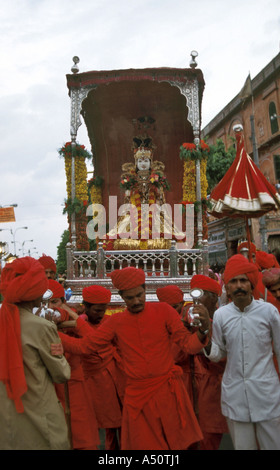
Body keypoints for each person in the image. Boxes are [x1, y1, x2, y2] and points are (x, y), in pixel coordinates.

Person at [55, 267, 211, 450]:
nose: (136, 301)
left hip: (168, 392)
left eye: (139, 295)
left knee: (174, 446)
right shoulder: (116, 322)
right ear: (121, 296)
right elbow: (85, 346)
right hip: (138, 398)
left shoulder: (164, 311)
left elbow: (188, 345)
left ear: (145, 290)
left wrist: (203, 330)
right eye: (130, 298)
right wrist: (53, 334)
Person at [205, 254, 280, 450]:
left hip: (267, 393)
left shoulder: (269, 312)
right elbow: (218, 353)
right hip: (235, 394)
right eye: (234, 281)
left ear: (251, 284)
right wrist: (203, 335)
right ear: (227, 287)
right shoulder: (221, 315)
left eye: (243, 280)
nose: (239, 285)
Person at [0, 256, 71, 450]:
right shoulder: (42, 327)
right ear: (36, 290)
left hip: (6, 418)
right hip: (39, 416)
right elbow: (61, 373)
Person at [157, 278, 228, 450]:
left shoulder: (222, 321)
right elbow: (170, 357)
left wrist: (204, 333)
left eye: (201, 295)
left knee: (208, 439)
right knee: (181, 439)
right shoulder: (180, 322)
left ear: (214, 298)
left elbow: (223, 361)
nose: (196, 301)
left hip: (211, 388)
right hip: (181, 386)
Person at [47, 279, 100, 450]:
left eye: (54, 301)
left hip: (76, 387)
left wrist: (74, 318)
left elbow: (93, 344)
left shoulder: (72, 322)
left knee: (83, 438)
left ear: (64, 302)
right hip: (49, 390)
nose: (50, 307)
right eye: (44, 302)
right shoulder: (40, 328)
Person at [80, 285, 126, 450]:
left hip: (116, 375)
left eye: (103, 310)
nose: (100, 315)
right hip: (94, 381)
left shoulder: (110, 321)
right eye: (97, 310)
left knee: (122, 421)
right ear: (85, 307)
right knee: (102, 424)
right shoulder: (77, 324)